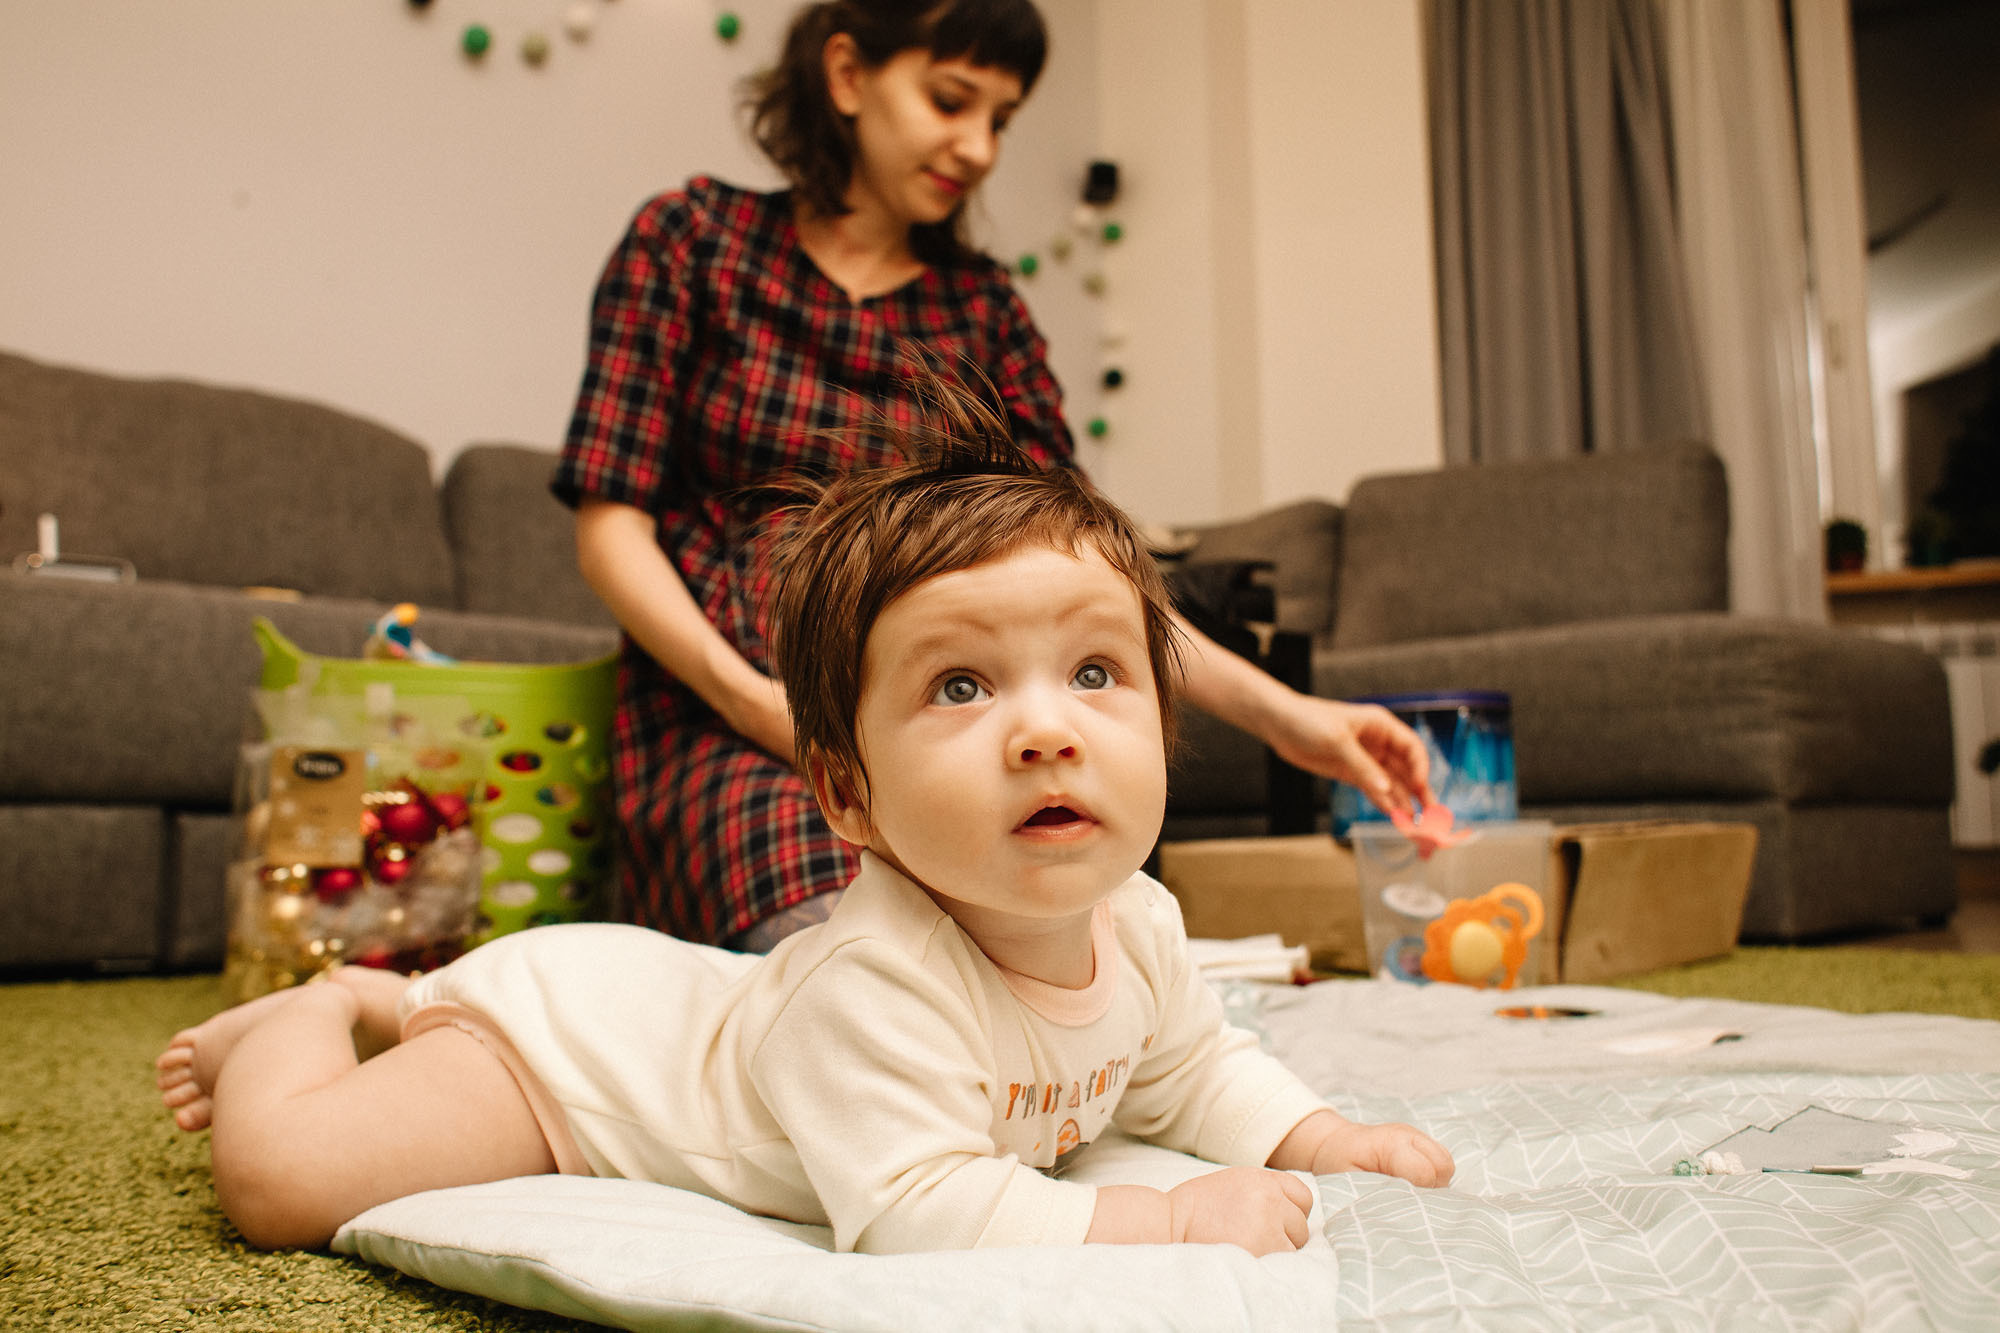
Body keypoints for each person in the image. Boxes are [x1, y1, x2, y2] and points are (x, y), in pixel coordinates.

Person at [156, 403, 1455, 1255]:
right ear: (846, 795)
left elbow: (1197, 1073)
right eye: (962, 686)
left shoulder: (1144, 925)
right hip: (565, 1064)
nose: (1045, 730)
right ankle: (317, 1012)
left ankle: (392, 999)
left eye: (1095, 672)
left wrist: (1321, 1140)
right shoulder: (877, 985)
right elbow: (919, 1210)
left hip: (661, 993)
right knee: (287, 1183)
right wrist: (1165, 1220)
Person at [553, 0, 1436, 951]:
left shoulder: (983, 311)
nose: (978, 148)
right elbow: (610, 530)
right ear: (847, 76)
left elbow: (1085, 570)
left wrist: (1293, 718)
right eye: (950, 101)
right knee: (849, 951)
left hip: (945, 718)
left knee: (1058, 941)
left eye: (1001, 120)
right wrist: (754, 701)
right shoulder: (693, 243)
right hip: (718, 718)